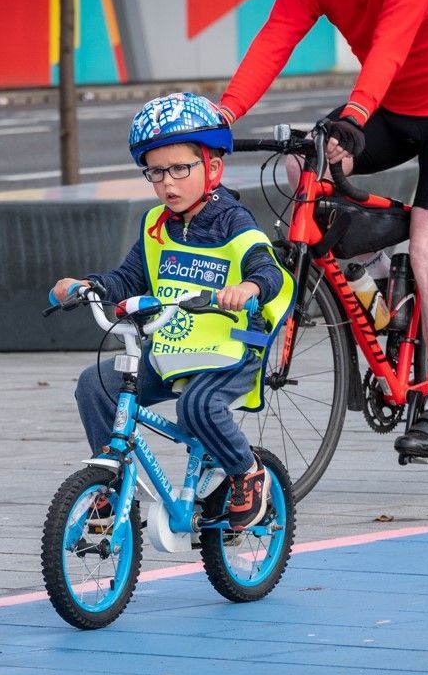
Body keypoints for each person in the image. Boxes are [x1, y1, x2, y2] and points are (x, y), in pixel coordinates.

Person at [218, 0, 428, 459]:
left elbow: (390, 44)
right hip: (392, 105)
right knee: (301, 163)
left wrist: (353, 113)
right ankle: (372, 282)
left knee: (427, 247)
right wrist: (223, 114)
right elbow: (274, 40)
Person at [53, 93, 294, 530]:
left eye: (181, 169)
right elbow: (128, 277)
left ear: (213, 169)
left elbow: (267, 267)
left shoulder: (232, 222)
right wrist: (88, 286)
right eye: (156, 171)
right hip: (172, 348)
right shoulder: (155, 226)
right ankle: (111, 488)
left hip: (230, 351)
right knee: (97, 385)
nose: (168, 183)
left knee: (198, 406)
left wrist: (249, 287)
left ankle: (246, 472)